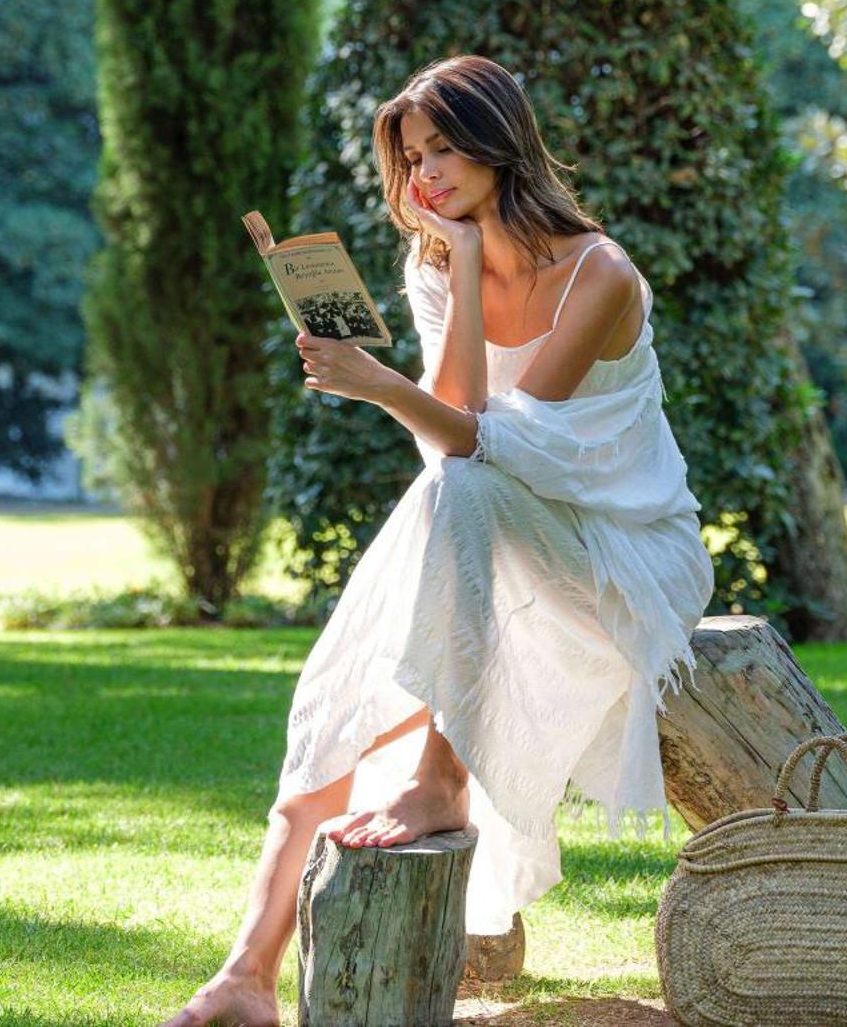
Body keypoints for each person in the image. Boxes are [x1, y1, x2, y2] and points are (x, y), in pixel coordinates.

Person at [160, 54, 714, 1027]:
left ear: (501, 142)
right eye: (413, 156)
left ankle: (439, 784)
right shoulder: (433, 263)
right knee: (347, 692)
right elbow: (450, 429)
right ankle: (244, 974)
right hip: (492, 522)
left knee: (460, 492)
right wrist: (456, 264)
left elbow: (508, 442)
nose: (426, 172)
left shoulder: (599, 274)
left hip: (624, 551)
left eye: (445, 146)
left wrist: (373, 381)